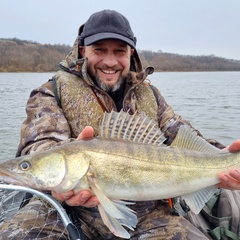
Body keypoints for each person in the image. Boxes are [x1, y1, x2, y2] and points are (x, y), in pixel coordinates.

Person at [1, 9, 240, 240]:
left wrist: (227, 156)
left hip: (145, 210)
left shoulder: (150, 96)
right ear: (84, 50)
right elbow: (40, 144)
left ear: (131, 53)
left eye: (119, 51)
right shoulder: (51, 92)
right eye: (100, 50)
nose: (110, 61)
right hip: (57, 208)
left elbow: (182, 134)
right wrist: (53, 176)